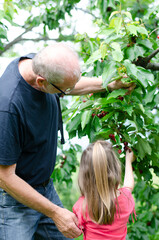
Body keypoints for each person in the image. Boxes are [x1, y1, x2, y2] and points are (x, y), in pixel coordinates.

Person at [0, 42, 134, 240]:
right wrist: (55, 212)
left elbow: (67, 84)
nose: (68, 92)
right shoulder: (8, 108)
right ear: (41, 82)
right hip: (15, 200)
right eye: (64, 91)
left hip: (45, 187)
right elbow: (4, 176)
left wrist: (108, 83)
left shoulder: (43, 62)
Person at [73, 140, 136, 240]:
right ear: (115, 168)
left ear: (85, 176)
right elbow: (129, 185)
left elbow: (75, 231)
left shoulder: (82, 206)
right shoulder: (125, 199)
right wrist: (128, 160)